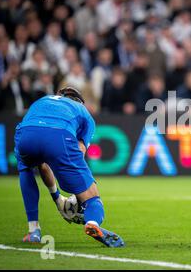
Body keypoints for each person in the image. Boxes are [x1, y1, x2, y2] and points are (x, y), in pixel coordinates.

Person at [14, 87, 124, 247]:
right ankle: (92, 222)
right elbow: (78, 153)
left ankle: (33, 231)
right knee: (92, 197)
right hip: (59, 135)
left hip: (26, 134)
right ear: (79, 101)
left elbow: (43, 167)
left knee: (26, 169)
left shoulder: (42, 101)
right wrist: (77, 197)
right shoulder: (83, 112)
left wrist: (58, 200)